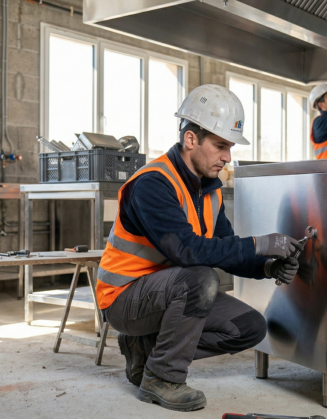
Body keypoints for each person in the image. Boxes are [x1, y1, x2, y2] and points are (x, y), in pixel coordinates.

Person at [97, 84, 303, 412]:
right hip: (123, 298)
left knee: (250, 328)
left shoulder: (209, 190)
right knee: (202, 278)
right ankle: (162, 378)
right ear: (191, 139)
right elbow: (188, 252)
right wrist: (261, 243)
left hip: (170, 293)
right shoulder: (153, 183)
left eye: (230, 147)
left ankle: (147, 351)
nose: (227, 157)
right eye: (220, 146)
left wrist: (267, 266)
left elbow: (223, 248)